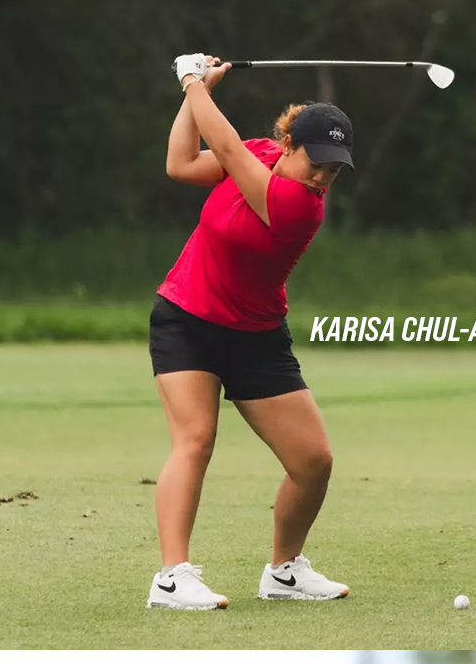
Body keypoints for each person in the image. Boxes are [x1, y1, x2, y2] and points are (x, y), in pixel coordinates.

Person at [148, 52, 353, 610]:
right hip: (186, 317)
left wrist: (193, 82)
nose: (324, 178)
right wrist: (196, 94)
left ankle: (284, 570)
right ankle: (172, 577)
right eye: (318, 162)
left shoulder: (298, 206)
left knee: (314, 460)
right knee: (195, 439)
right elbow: (181, 163)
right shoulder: (261, 157)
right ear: (288, 144)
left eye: (334, 169)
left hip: (256, 335)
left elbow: (231, 149)